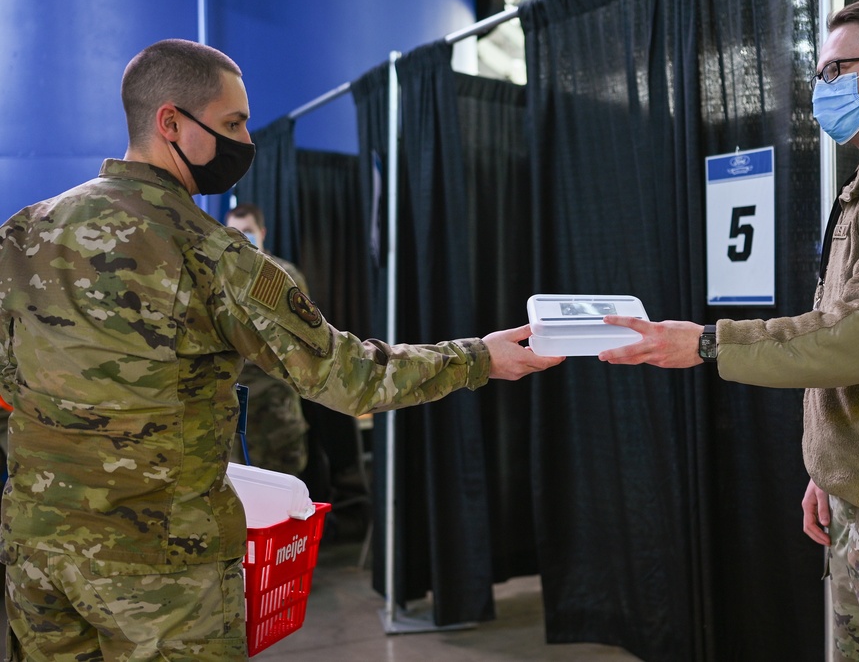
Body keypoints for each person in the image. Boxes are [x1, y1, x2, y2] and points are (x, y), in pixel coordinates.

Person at [0, 38, 563, 661]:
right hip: (158, 567)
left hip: (37, 549)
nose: (245, 141)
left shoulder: (27, 230)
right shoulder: (213, 255)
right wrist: (480, 358)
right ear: (170, 122)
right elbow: (350, 378)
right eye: (232, 123)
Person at [599, 0, 859, 660]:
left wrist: (705, 342)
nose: (822, 89)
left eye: (838, 69)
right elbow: (855, 341)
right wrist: (832, 467)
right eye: (820, 73)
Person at [224, 203, 311, 476]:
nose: (242, 239)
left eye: (248, 232)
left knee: (281, 491)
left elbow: (305, 339)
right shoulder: (221, 278)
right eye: (234, 233)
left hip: (275, 408)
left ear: (262, 232)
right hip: (232, 409)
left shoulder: (285, 276)